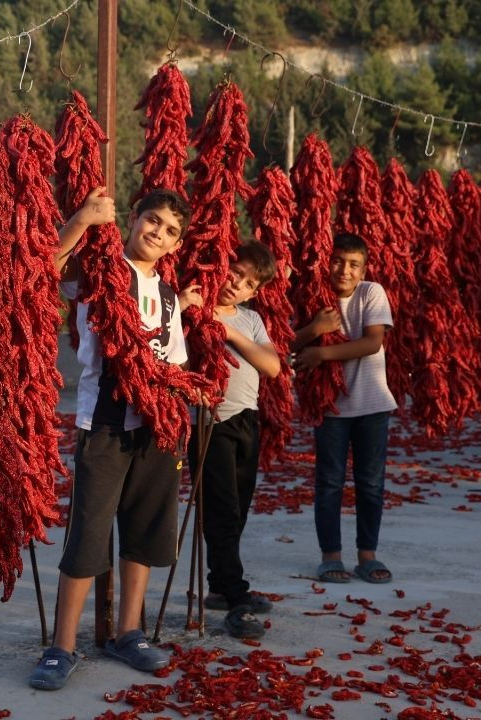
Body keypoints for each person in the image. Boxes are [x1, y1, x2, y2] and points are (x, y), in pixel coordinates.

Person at [28, 187, 200, 691]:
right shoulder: (100, 271)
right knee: (87, 534)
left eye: (170, 230)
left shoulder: (168, 296)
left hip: (156, 428)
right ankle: (61, 646)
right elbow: (44, 267)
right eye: (152, 220)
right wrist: (82, 218)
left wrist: (189, 394)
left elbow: (175, 364)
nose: (158, 233)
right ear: (133, 218)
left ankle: (130, 632)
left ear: (175, 245)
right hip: (103, 425)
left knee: (144, 530)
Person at [291, 232, 396, 585]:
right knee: (330, 482)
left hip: (372, 405)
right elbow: (287, 342)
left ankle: (368, 555)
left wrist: (321, 352)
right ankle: (330, 556)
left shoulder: (371, 292)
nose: (345, 270)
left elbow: (372, 342)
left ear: (363, 268)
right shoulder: (313, 297)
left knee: (370, 482)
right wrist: (315, 329)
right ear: (327, 262)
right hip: (332, 407)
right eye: (337, 261)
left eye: (353, 264)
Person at [192, 241, 282, 639]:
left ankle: (218, 587)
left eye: (247, 282)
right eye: (235, 272)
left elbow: (273, 366)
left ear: (254, 292)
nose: (236, 284)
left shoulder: (250, 320)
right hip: (211, 424)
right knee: (223, 512)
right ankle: (236, 597)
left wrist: (229, 332)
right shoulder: (196, 309)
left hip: (247, 421)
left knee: (238, 510)